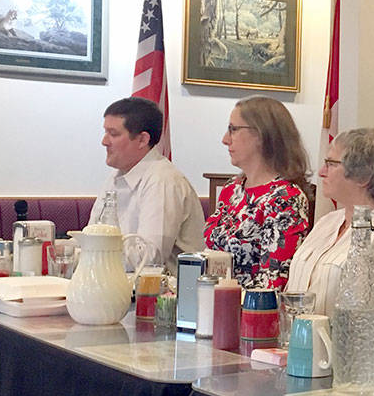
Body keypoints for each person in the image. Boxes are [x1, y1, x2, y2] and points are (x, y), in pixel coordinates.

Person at [288, 128, 374, 321]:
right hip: (297, 341)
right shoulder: (328, 221)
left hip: (351, 347)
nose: (321, 172)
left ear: (364, 176)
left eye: (331, 164)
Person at [89, 96, 205, 274]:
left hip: (165, 295)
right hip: (119, 285)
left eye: (113, 134)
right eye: (105, 132)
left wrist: (92, 254)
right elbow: (93, 235)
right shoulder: (116, 177)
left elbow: (150, 258)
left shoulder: (163, 181)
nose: (104, 141)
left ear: (142, 139)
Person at [205, 96, 310, 290]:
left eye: (233, 129)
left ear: (261, 135)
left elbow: (273, 281)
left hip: (253, 312)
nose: (225, 139)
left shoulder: (285, 198)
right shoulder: (232, 189)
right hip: (213, 304)